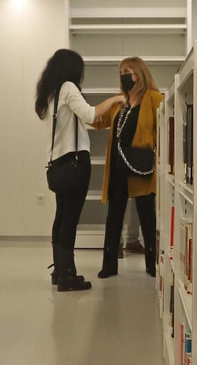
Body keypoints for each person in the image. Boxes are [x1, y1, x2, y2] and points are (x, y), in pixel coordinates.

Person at [35, 48, 124, 292]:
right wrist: (116, 100)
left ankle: (59, 271)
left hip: (57, 164)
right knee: (70, 219)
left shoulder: (49, 93)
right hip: (75, 163)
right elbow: (89, 114)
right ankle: (67, 275)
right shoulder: (68, 88)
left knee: (62, 215)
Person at [93, 57, 163, 279]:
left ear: (139, 74)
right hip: (117, 167)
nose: (123, 75)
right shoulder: (120, 102)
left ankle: (152, 265)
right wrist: (114, 100)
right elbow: (96, 120)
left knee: (147, 216)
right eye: (121, 71)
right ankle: (109, 264)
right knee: (114, 215)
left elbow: (165, 126)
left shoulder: (153, 98)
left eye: (128, 71)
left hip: (140, 166)